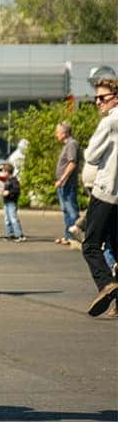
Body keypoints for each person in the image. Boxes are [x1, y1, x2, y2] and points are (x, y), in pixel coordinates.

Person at [82, 77, 118, 316]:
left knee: (91, 245)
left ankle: (106, 283)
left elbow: (92, 155)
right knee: (116, 245)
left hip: (106, 191)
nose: (98, 102)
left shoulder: (110, 122)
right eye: (95, 98)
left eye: (102, 98)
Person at [54, 122, 81, 246]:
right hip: (63, 184)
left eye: (58, 132)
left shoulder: (72, 144)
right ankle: (68, 236)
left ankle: (75, 236)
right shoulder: (67, 145)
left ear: (64, 133)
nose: (56, 135)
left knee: (72, 211)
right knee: (66, 210)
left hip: (67, 184)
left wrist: (62, 179)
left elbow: (72, 163)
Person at [0, 162, 25, 241]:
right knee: (7, 219)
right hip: (6, 202)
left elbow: (16, 190)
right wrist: (3, 192)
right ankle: (10, 234)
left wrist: (8, 192)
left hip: (11, 202)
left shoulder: (14, 180)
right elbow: (6, 189)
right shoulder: (7, 180)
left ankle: (19, 235)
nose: (2, 173)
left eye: (3, 171)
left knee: (13, 218)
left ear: (7, 172)